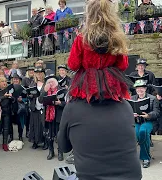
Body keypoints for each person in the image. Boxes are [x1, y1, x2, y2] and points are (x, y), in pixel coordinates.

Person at [57, 0, 142, 179]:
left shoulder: (82, 38)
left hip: (88, 82)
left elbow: (73, 64)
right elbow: (123, 64)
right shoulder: (126, 108)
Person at [131, 80, 159, 168]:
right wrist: (132, 115)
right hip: (136, 121)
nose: (140, 90)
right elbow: (127, 111)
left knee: (143, 132)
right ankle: (131, 157)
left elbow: (157, 112)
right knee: (134, 133)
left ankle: (145, 158)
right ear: (135, 89)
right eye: (138, 88)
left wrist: (148, 115)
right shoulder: (132, 98)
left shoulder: (153, 98)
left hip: (148, 121)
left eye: (142, 88)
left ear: (145, 89)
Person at [0, 77, 14, 151]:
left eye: (5, 81)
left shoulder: (8, 90)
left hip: (7, 111)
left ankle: (5, 144)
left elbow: (13, 100)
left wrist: (11, 97)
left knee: (6, 128)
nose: (4, 83)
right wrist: (4, 96)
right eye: (2, 81)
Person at [28, 67, 45, 149]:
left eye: (40, 73)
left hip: (43, 107)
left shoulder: (46, 83)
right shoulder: (32, 83)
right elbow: (29, 93)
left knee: (42, 125)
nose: (38, 74)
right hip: (34, 106)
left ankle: (44, 141)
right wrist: (30, 95)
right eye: (37, 73)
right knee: (34, 125)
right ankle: (35, 142)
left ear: (42, 74)